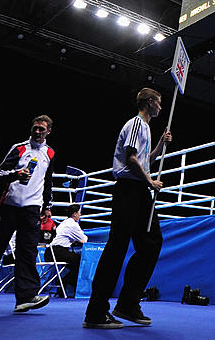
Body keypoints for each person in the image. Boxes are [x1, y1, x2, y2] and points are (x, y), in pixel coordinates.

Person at [83, 88, 172, 330]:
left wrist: (160, 147)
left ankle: (128, 303)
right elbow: (131, 159)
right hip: (128, 191)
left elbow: (143, 161)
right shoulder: (135, 123)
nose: (161, 108)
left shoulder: (147, 129)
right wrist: (151, 182)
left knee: (152, 243)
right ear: (150, 102)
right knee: (117, 248)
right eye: (159, 103)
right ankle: (96, 311)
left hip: (140, 191)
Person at [0, 115, 56, 314]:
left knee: (28, 254)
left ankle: (25, 298)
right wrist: (17, 174)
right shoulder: (19, 148)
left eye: (42, 129)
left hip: (32, 209)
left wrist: (47, 207)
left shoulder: (50, 153)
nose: (37, 131)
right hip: (9, 206)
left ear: (48, 131)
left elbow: (47, 181)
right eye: (35, 128)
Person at [49, 203, 88, 297]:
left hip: (51, 252)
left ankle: (66, 285)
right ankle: (64, 281)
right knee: (81, 261)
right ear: (74, 214)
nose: (80, 215)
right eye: (79, 213)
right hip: (58, 252)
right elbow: (85, 239)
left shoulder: (65, 222)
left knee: (74, 262)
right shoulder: (72, 225)